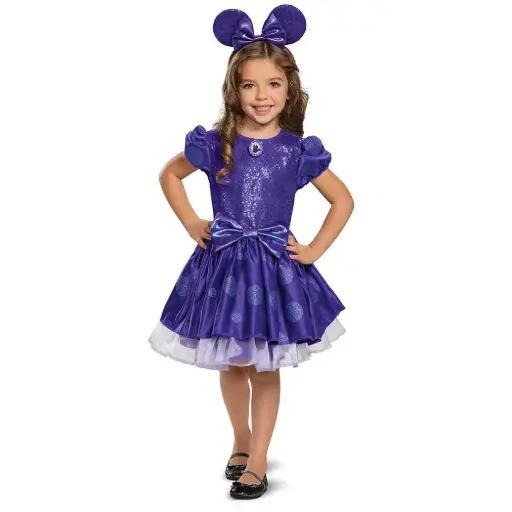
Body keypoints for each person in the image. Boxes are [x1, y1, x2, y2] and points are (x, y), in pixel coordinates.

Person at [148, 4, 354, 500]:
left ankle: (258, 459)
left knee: (265, 367)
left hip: (272, 273)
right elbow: (170, 174)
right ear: (233, 89)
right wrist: (192, 221)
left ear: (290, 88)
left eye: (273, 84)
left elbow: (343, 200)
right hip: (223, 271)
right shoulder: (216, 144)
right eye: (250, 85)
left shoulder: (296, 151)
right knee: (233, 364)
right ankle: (241, 439)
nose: (262, 96)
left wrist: (314, 249)